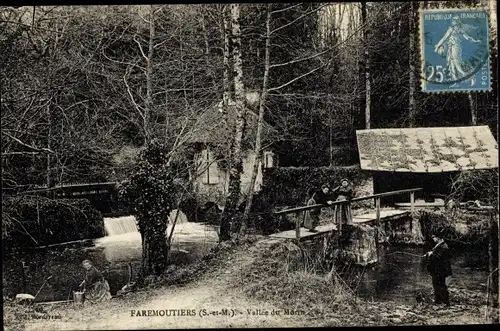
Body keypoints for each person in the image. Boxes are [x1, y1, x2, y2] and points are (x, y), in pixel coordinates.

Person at [434, 15, 482, 87]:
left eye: (454, 20)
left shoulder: (456, 29)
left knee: (457, 66)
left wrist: (437, 46)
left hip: (455, 48)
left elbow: (444, 38)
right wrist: (438, 46)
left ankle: (472, 77)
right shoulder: (455, 29)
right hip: (451, 48)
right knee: (451, 65)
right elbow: (445, 38)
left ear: (457, 22)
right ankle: (456, 82)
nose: (453, 21)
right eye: (453, 20)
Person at [424, 234, 452, 306]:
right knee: (436, 285)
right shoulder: (440, 245)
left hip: (440, 270)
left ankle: (445, 302)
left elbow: (438, 258)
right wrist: (429, 254)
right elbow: (436, 254)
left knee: (440, 285)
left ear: (438, 238)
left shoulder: (444, 246)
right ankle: (438, 300)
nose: (433, 239)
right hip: (437, 270)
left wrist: (430, 255)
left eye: (434, 237)